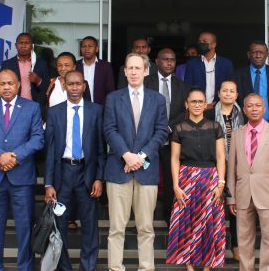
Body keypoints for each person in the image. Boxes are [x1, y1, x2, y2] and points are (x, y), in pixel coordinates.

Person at [102, 53, 169, 271]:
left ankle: (146, 268)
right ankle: (115, 268)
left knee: (146, 228)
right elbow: (109, 129)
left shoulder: (157, 99)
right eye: (129, 68)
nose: (133, 72)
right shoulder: (113, 98)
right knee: (116, 228)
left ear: (146, 71)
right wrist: (126, 154)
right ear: (124, 71)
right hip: (118, 169)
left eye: (137, 68)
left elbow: (161, 132)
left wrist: (140, 157)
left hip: (146, 172)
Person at [0, 70, 44, 270]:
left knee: (24, 228)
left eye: (10, 83)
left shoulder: (31, 108)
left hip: (21, 178)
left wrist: (14, 156)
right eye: (2, 83)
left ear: (18, 85)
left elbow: (38, 138)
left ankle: (25, 267)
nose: (6, 87)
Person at [44, 70, 105, 271]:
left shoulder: (96, 110)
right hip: (63, 172)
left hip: (87, 172)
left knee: (89, 225)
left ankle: (87, 267)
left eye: (78, 84)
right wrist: (49, 183)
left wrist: (99, 178)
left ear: (84, 86)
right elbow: (50, 150)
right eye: (71, 84)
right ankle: (65, 268)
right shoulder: (54, 112)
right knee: (59, 226)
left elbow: (100, 148)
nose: (75, 88)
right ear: (65, 86)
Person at [166, 87, 227, 270]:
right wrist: (176, 186)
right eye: (193, 101)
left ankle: (208, 266)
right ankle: (189, 267)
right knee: (187, 222)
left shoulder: (215, 127)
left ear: (206, 105)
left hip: (210, 178)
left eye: (201, 101)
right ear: (186, 104)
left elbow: (221, 157)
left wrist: (221, 183)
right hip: (186, 179)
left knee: (209, 222)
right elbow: (175, 158)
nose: (197, 105)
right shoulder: (179, 128)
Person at [227, 94, 269, 271]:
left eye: (258, 105)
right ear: (244, 110)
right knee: (244, 238)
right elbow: (232, 168)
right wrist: (231, 198)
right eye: (250, 106)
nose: (254, 109)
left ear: (264, 108)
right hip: (242, 194)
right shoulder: (237, 134)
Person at [144, 48, 192, 224]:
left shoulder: (183, 86)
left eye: (172, 59)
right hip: (148, 139)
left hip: (172, 139)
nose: (170, 62)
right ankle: (145, 217)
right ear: (157, 61)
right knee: (147, 178)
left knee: (171, 177)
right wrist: (156, 128)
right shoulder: (145, 82)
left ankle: (169, 216)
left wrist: (168, 128)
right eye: (165, 59)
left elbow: (183, 112)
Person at [209, 80, 245, 261]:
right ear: (219, 93)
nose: (228, 94)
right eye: (225, 91)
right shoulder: (209, 114)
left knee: (236, 208)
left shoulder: (243, 114)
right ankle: (216, 246)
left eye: (232, 91)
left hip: (239, 166)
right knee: (215, 207)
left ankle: (236, 245)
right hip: (215, 165)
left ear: (237, 95)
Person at [233, 41, 269, 124]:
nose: (258, 56)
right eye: (255, 52)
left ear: (266, 55)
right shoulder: (238, 75)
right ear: (249, 54)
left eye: (261, 52)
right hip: (245, 124)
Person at [0, 32, 52, 106]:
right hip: (12, 106)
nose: (23, 45)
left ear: (32, 46)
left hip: (34, 106)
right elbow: (1, 86)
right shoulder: (7, 64)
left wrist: (38, 81)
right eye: (21, 43)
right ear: (16, 45)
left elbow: (48, 88)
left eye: (27, 43)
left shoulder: (41, 64)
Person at [183, 31, 235, 104]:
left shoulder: (226, 64)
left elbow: (230, 88)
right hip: (197, 107)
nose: (201, 43)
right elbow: (187, 88)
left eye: (204, 41)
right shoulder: (192, 64)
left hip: (220, 107)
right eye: (199, 41)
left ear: (213, 45)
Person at [76, 36, 116, 105]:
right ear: (80, 49)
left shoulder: (106, 66)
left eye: (90, 46)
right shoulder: (76, 65)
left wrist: (103, 107)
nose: (86, 49)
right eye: (84, 46)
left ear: (97, 49)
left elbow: (110, 90)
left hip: (100, 107)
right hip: (79, 106)